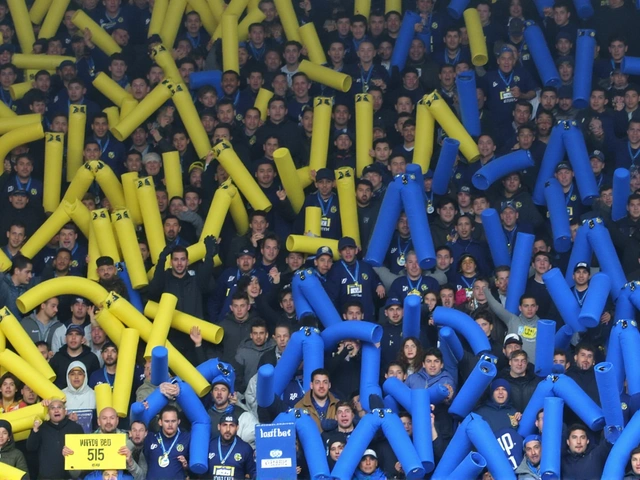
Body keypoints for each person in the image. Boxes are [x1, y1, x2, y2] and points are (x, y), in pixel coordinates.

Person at [27, 399, 84, 479]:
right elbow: (30, 448)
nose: (56, 410)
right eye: (52, 408)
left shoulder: (75, 427)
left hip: (69, 477)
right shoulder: (42, 428)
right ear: (48, 413)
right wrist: (35, 430)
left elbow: (83, 452)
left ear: (65, 411)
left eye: (59, 407)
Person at [143, 405, 190, 479]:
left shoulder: (187, 438)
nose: (170, 425)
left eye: (173, 421)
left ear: (178, 421)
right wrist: (143, 409)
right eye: (167, 421)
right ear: (160, 422)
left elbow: (194, 468)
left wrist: (186, 465)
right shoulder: (150, 438)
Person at [50, 324, 101, 389]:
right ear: (65, 339)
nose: (73, 337)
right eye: (70, 334)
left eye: (77, 334)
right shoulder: (57, 358)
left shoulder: (92, 358)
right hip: (61, 398)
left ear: (82, 339)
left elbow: (96, 382)